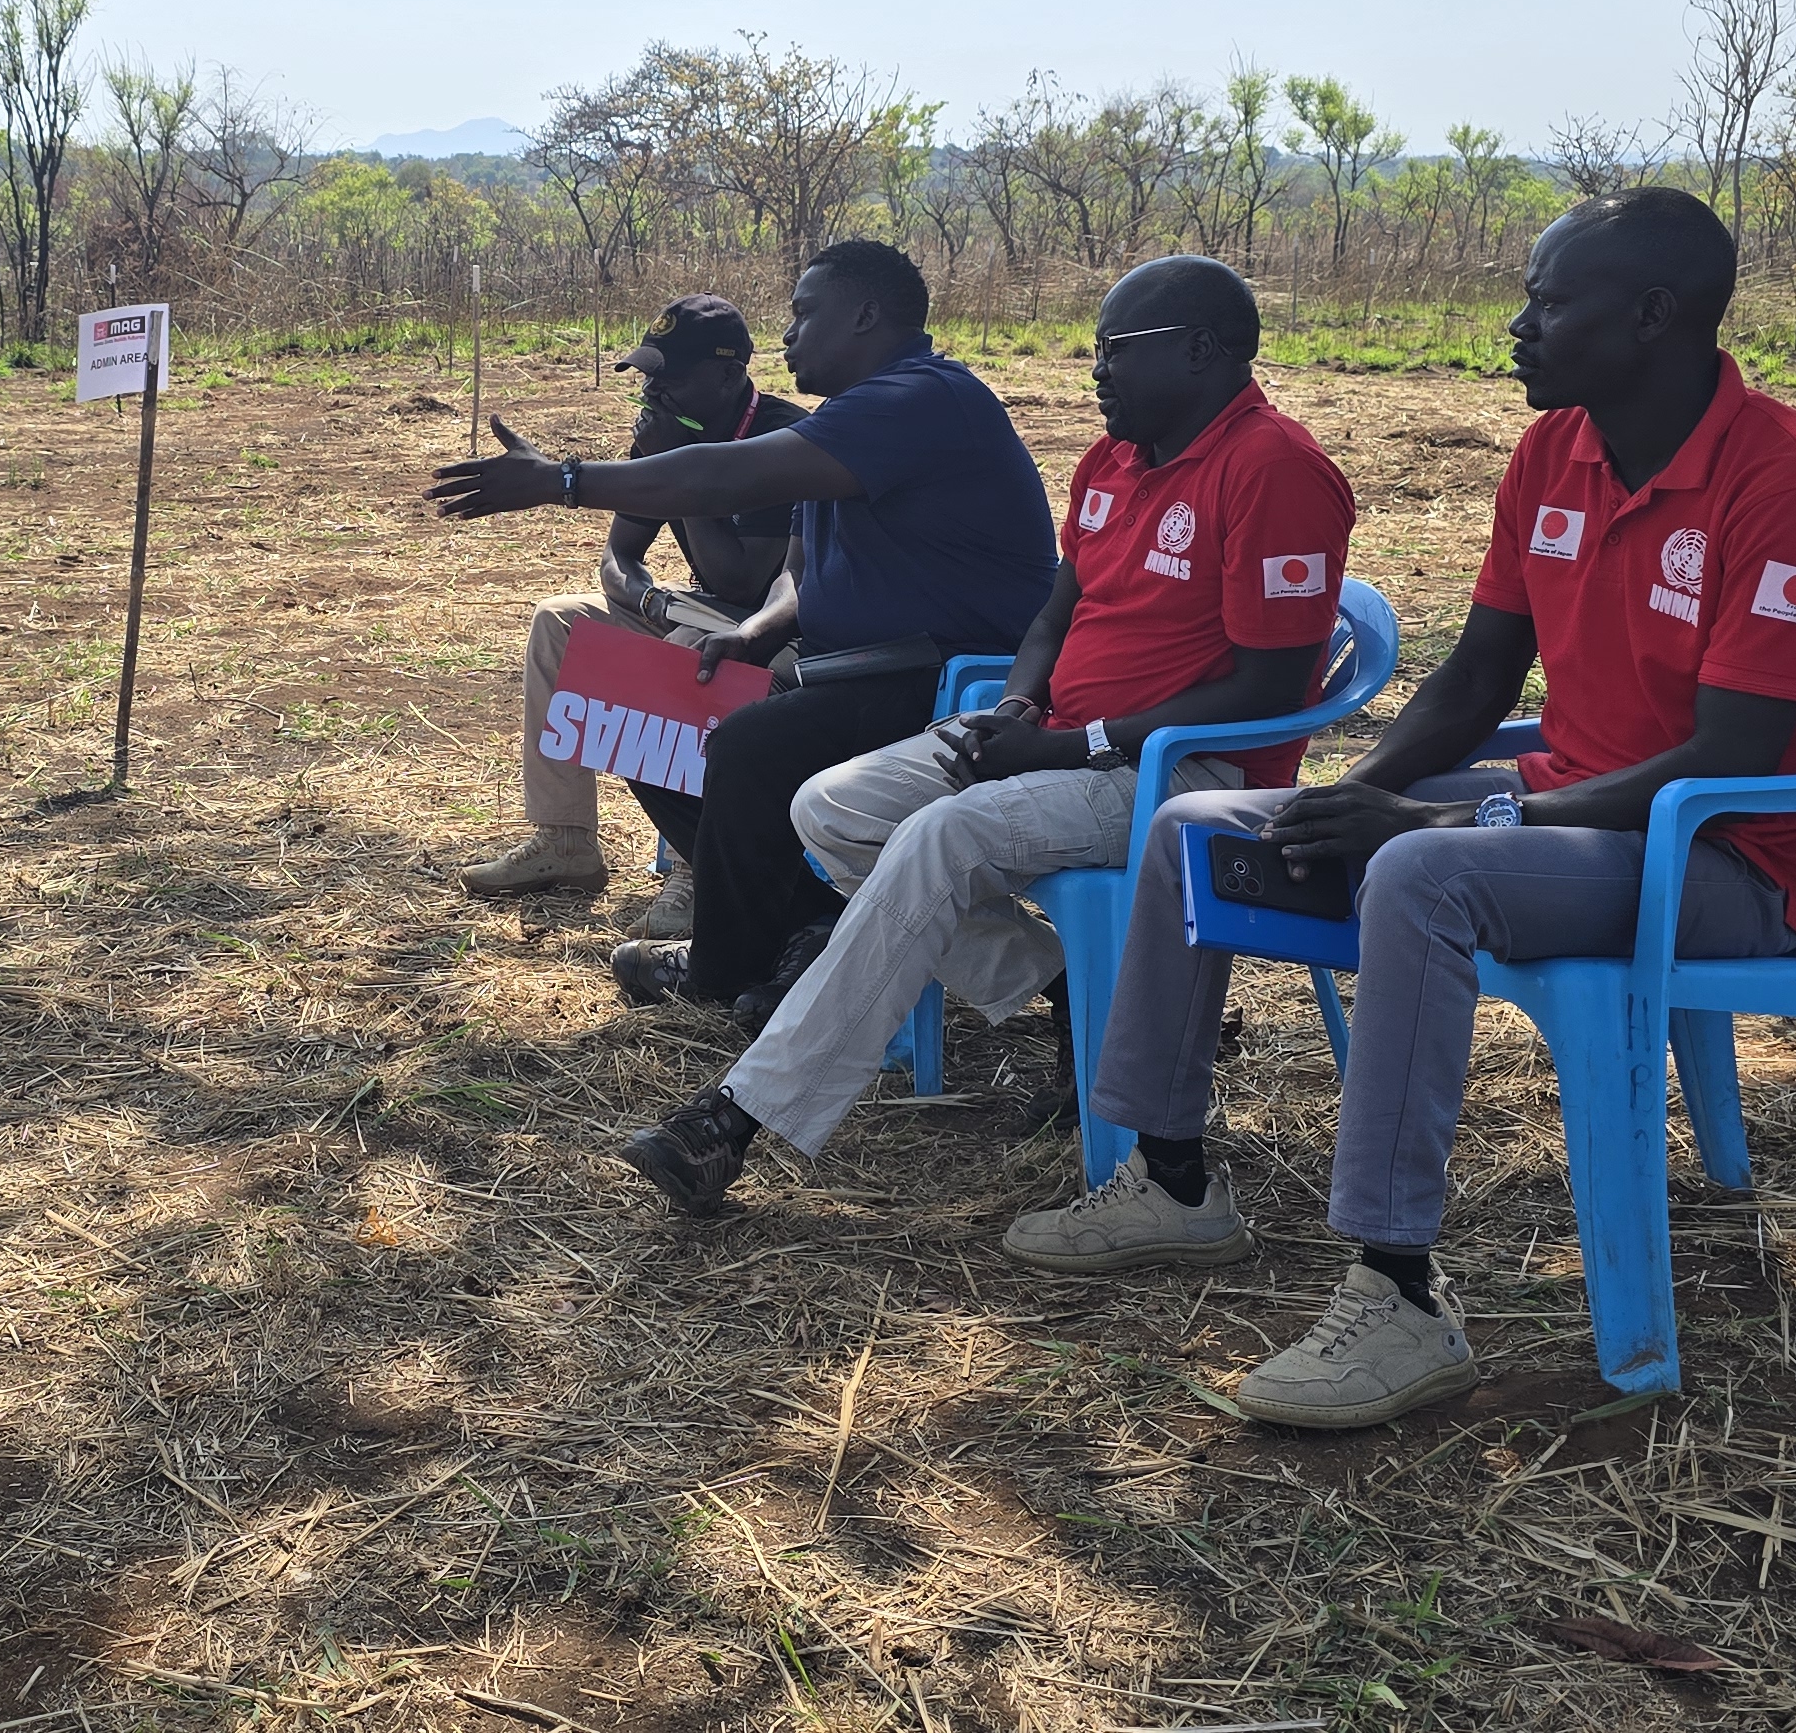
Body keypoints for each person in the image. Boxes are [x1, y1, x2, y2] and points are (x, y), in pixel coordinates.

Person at [1016, 188, 1796, 1432]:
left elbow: (1727, 754)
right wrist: (1363, 793)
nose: (1518, 324)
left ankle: (1399, 1293)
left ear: (1651, 315)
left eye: (1549, 299)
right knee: (1196, 829)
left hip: (1728, 854)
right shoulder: (1553, 452)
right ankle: (1170, 1173)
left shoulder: (1787, 483)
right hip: (1567, 811)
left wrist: (1439, 830)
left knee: (1420, 879)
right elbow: (1477, 679)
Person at [612, 255, 1358, 1212]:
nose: (1095, 374)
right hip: (1053, 733)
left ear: (1201, 352)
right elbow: (1051, 619)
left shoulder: (1276, 471)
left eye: (1115, 352)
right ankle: (1073, 997)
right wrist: (1015, 708)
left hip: (1184, 767)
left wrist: (1070, 747)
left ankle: (737, 1119)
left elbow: (1264, 683)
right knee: (830, 810)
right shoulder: (1114, 462)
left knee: (940, 836)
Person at [429, 240, 1060, 1024]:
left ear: (864, 315)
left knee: (751, 744)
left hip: (946, 677)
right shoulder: (853, 417)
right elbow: (801, 567)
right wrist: (758, 633)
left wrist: (565, 480)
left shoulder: (923, 399)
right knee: (648, 713)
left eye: (804, 313)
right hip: (854, 665)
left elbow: (719, 478)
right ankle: (808, 928)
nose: (787, 335)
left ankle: (722, 969)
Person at [458, 294, 803, 928]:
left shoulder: (778, 439)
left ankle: (696, 866)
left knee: (683, 659)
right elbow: (618, 558)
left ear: (728, 376)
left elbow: (745, 579)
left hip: (772, 632)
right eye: (648, 373)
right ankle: (566, 841)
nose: (652, 389)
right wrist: (650, 599)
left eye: (669, 375)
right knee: (561, 621)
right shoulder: (667, 435)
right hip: (693, 610)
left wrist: (676, 469)